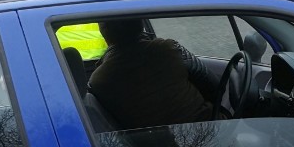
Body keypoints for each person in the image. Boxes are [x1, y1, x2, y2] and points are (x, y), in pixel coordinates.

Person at [89, 18, 218, 130]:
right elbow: (213, 85)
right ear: (141, 24)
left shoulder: (98, 81)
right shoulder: (167, 49)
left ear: (103, 31)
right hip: (215, 132)